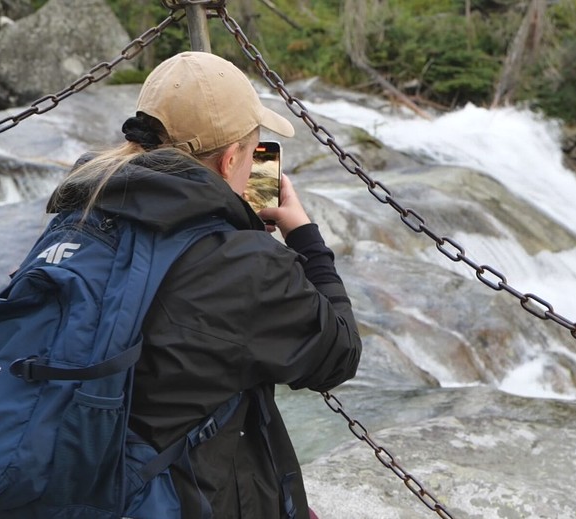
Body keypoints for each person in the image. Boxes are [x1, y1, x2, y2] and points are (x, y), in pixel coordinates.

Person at [47, 51, 362, 519]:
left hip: (73, 484)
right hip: (179, 500)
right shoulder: (245, 267)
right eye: (254, 151)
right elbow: (338, 353)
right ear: (231, 158)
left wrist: (237, 228)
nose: (257, 163)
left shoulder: (81, 212)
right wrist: (301, 235)